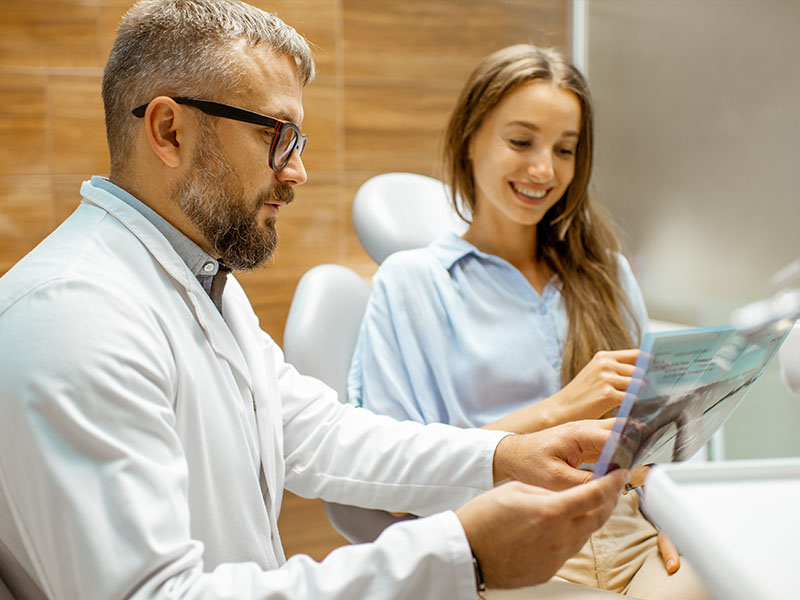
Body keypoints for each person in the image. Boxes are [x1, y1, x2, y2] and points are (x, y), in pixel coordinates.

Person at [0, 2, 632, 599]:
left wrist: (506, 455)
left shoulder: (200, 282)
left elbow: (321, 434)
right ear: (169, 130)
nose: (297, 170)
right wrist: (462, 552)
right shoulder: (72, 317)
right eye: (279, 136)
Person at [348, 44, 708, 599]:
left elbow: (651, 446)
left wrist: (679, 520)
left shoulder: (606, 273)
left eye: (565, 150)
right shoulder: (412, 283)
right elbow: (396, 483)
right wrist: (560, 408)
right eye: (521, 141)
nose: (544, 169)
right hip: (509, 543)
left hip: (633, 535)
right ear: (470, 139)